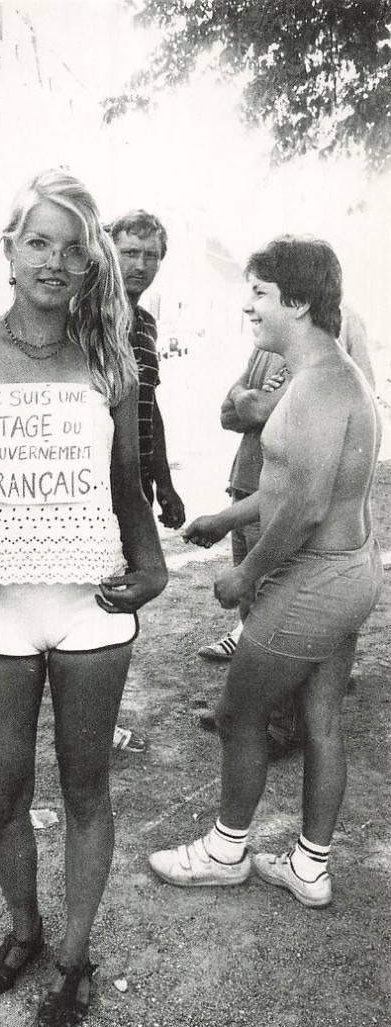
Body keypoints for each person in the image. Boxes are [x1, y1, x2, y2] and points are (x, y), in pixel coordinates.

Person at [0, 170, 167, 1027]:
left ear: (92, 266)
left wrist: (154, 565)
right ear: (10, 251)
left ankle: (76, 955)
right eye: (39, 243)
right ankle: (24, 929)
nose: (56, 261)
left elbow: (126, 487)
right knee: (2, 790)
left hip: (90, 604)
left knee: (86, 786)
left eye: (72, 248)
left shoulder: (110, 360)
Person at [149, 236, 382, 910]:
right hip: (349, 572)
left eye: (259, 292)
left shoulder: (316, 385)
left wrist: (245, 575)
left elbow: (306, 506)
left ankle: (226, 850)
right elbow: (302, 484)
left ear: (299, 301)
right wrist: (226, 520)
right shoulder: (339, 375)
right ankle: (309, 865)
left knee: (239, 713)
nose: (247, 304)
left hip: (317, 578)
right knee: (322, 720)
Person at [199, 306, 375, 662]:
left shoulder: (325, 352)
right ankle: (249, 640)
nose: (250, 304)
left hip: (292, 505)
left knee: (273, 599)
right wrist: (243, 399)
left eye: (262, 290)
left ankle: (261, 656)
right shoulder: (268, 340)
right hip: (251, 482)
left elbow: (257, 411)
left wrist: (245, 398)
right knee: (256, 603)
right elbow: (227, 414)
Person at [108, 210, 185, 530]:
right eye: (129, 253)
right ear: (110, 255)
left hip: (139, 485)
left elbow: (148, 404)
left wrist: (164, 481)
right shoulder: (89, 318)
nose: (140, 265)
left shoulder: (147, 324)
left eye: (151, 255)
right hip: (100, 483)